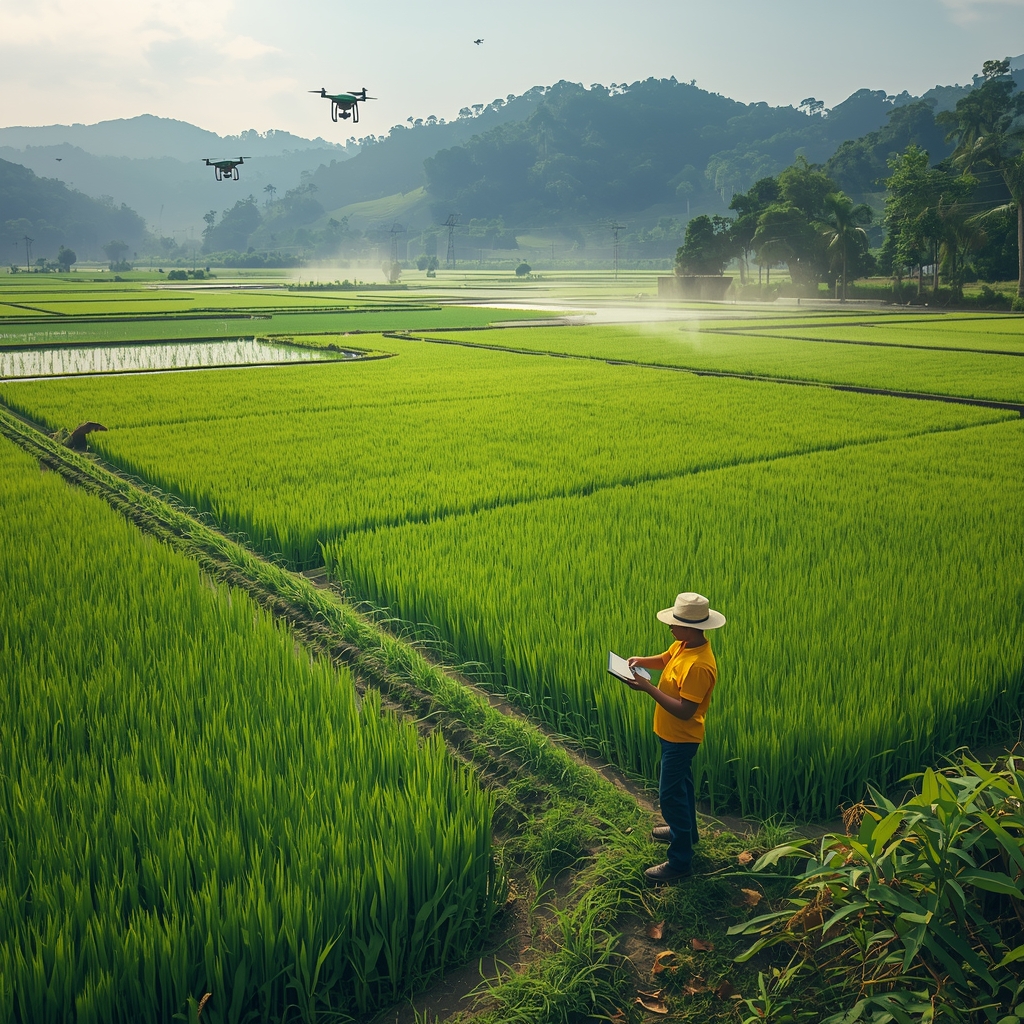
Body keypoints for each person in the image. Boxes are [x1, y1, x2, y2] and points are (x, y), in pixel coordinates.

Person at [625, 592, 725, 883]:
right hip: (669, 734)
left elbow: (685, 711)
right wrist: (641, 660)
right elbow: (665, 658)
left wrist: (648, 688)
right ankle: (686, 832)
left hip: (681, 738)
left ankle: (680, 862)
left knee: (669, 795)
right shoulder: (684, 645)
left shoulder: (699, 666)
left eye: (675, 623)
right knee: (682, 787)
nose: (670, 626)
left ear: (692, 628)